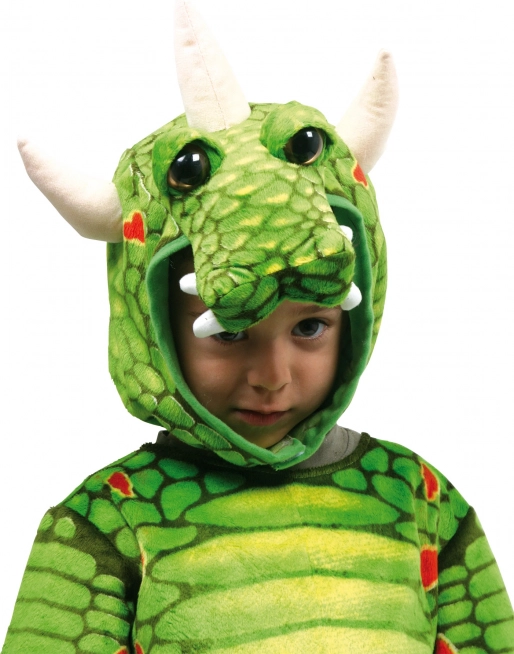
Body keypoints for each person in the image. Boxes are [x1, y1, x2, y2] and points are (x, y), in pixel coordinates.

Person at [3, 2, 513, 653]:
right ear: (152, 327)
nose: (272, 378)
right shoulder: (107, 520)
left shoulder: (422, 499)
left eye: (311, 328)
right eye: (228, 333)